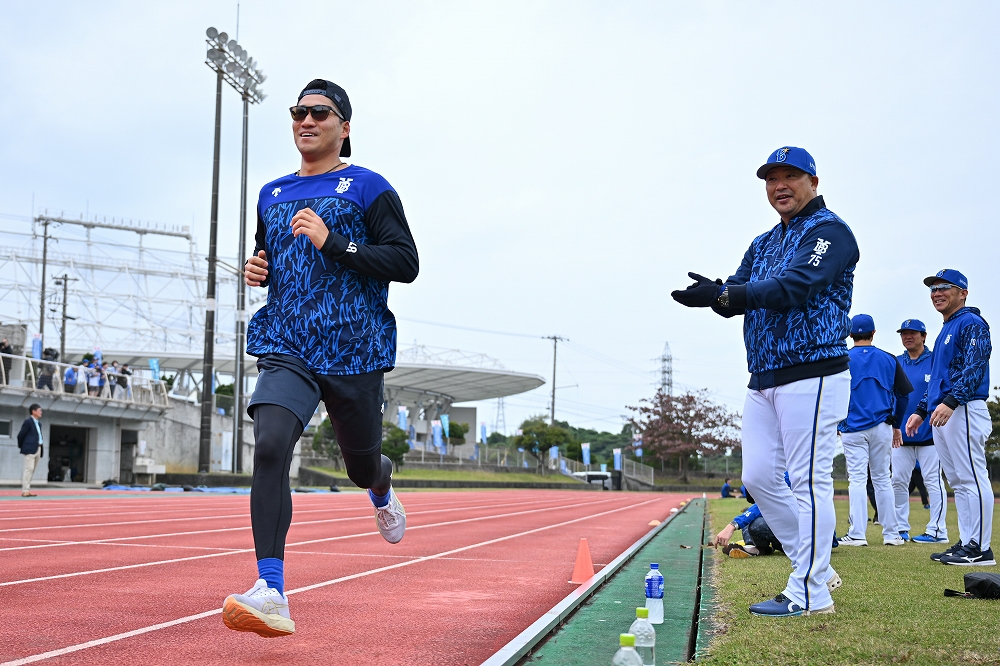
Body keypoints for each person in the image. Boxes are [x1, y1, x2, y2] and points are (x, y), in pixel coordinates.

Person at [223, 79, 419, 638]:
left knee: (359, 466)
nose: (306, 121)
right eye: (298, 112)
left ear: (344, 127)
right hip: (289, 343)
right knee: (269, 445)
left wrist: (336, 243)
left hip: (354, 347)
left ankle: (380, 484)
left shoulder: (369, 187)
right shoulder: (272, 193)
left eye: (320, 113)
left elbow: (405, 262)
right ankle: (272, 590)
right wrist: (258, 267)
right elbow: (269, 254)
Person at [672, 146, 857, 617]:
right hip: (763, 377)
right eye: (772, 179)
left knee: (809, 482)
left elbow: (794, 286)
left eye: (790, 175)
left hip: (813, 371)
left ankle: (810, 592)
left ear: (813, 181)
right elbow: (736, 292)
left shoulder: (830, 231)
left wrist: (726, 295)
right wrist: (712, 294)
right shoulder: (763, 242)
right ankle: (815, 568)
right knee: (757, 478)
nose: (780, 186)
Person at [906, 269, 994, 566]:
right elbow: (937, 379)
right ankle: (968, 542)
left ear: (963, 293)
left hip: (963, 408)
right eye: (933, 288)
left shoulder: (971, 322)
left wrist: (952, 401)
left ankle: (981, 548)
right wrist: (921, 410)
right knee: (958, 480)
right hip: (944, 410)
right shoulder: (947, 326)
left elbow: (975, 365)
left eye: (945, 287)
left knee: (972, 477)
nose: (937, 293)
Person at [836, 315, 912, 547]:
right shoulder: (889, 358)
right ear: (874, 333)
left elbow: (832, 394)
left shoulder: (842, 358)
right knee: (882, 479)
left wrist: (835, 422)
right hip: (882, 425)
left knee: (857, 480)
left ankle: (857, 534)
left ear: (850, 334)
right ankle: (892, 534)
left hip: (852, 427)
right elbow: (904, 395)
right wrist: (897, 424)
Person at [893, 319, 948, 544]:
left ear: (923, 336)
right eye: (904, 333)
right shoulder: (896, 362)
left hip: (931, 434)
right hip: (900, 435)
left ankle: (938, 530)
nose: (907, 337)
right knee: (898, 481)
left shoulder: (935, 360)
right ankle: (899, 528)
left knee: (933, 481)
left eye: (912, 333)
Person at [16, 404, 44, 497]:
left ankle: (27, 489)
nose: (41, 412)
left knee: (33, 470)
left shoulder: (39, 423)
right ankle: (25, 491)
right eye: (39, 410)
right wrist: (23, 447)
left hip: (38, 448)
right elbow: (20, 435)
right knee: (29, 469)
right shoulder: (28, 422)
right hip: (30, 449)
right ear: (33, 411)